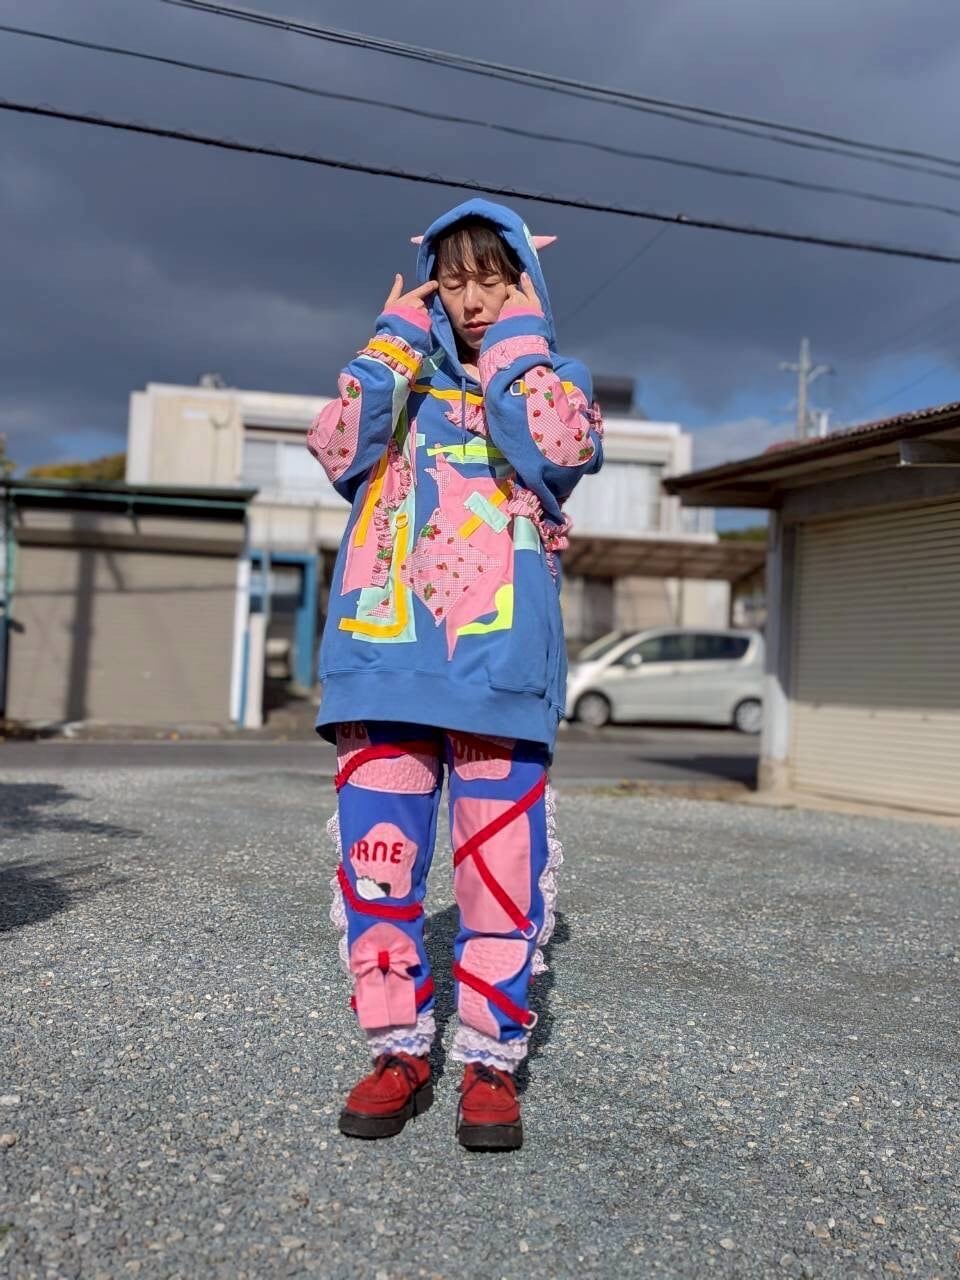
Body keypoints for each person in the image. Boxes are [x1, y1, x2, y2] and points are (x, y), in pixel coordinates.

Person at [307, 198, 603, 1150]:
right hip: (382, 667)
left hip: (500, 675)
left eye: (494, 281)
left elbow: (559, 451)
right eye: (455, 281)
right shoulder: (402, 381)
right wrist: (390, 345)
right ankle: (398, 1047)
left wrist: (519, 345)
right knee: (380, 873)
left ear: (526, 284)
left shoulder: (553, 381)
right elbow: (335, 448)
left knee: (499, 879)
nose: (473, 302)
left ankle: (488, 1059)